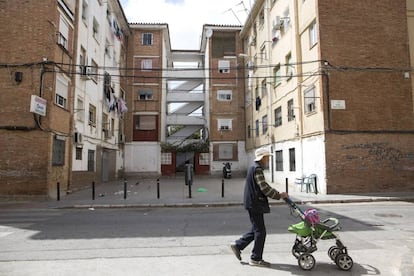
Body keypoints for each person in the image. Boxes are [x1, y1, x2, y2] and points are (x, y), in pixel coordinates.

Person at [230, 147, 288, 267]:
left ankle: (238, 245)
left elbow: (264, 186)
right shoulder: (257, 169)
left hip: (252, 202)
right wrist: (279, 195)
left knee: (256, 229)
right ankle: (255, 258)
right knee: (261, 231)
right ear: (262, 158)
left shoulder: (254, 168)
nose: (268, 160)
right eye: (267, 158)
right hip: (255, 203)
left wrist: (277, 193)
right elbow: (264, 188)